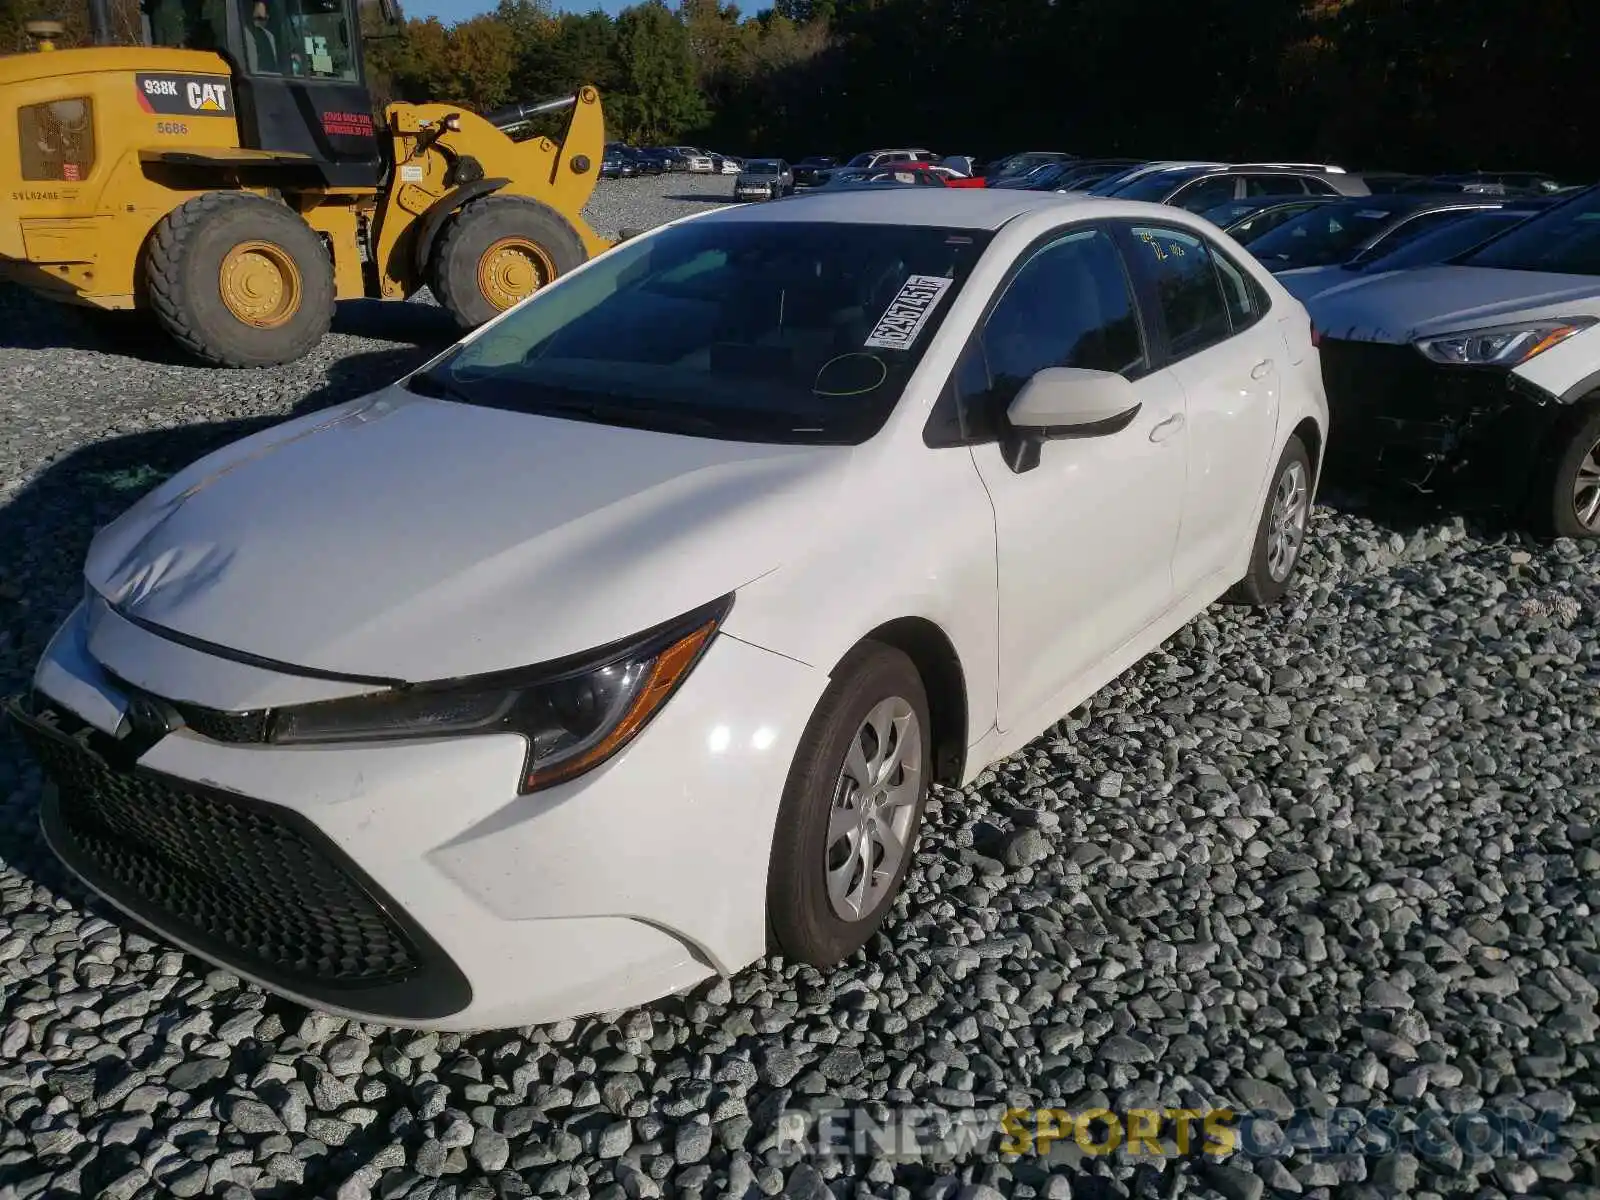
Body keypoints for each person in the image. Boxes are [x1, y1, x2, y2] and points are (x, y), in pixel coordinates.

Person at [243, 0, 282, 73]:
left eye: (262, 19)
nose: (258, 23)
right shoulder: (245, 34)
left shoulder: (270, 36)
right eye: (256, 18)